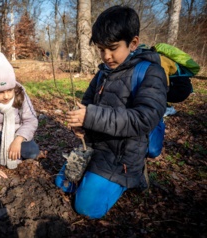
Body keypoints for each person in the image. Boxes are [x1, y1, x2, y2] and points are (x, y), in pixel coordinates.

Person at [55, 5, 167, 219]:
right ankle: (99, 179)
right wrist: (81, 124)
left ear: (133, 43)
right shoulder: (103, 73)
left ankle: (134, 178)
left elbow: (144, 119)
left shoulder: (151, 73)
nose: (106, 56)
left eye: (113, 48)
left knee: (86, 209)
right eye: (101, 49)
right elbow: (87, 103)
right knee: (63, 184)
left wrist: (91, 117)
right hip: (97, 149)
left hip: (122, 159)